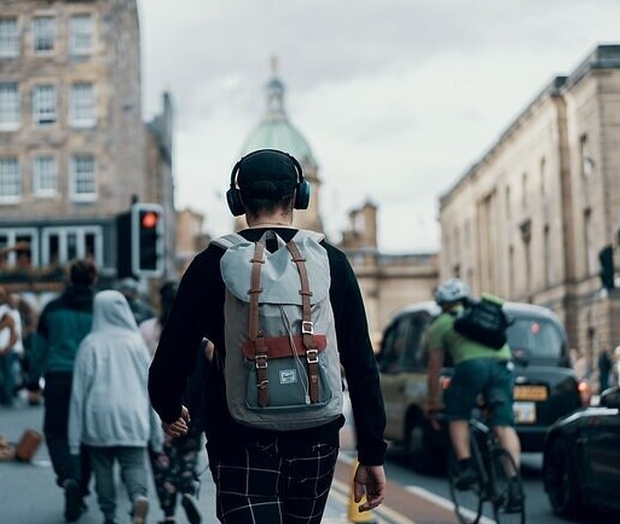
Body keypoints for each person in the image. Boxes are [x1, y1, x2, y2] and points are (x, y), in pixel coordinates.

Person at [148, 148, 387, 523]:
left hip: (237, 435)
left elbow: (174, 351)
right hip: (316, 438)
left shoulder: (212, 263)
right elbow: (360, 362)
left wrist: (168, 406)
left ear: (237, 200)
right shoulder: (331, 261)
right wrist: (371, 453)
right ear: (298, 196)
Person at [424, 278, 523, 511]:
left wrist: (432, 401)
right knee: (503, 425)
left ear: (443, 304)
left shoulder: (440, 325)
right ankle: (514, 485)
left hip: (470, 368)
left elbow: (434, 369)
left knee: (458, 414)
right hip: (503, 366)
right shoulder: (484, 315)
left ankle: (466, 467)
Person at [69, 290, 158, 524]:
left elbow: (79, 392)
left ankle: (109, 515)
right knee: (134, 463)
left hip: (99, 417)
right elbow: (150, 384)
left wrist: (73, 438)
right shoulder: (136, 343)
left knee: (103, 469)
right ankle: (139, 497)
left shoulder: (90, 344)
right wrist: (156, 429)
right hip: (133, 414)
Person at [27, 259, 98, 522]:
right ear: (92, 280)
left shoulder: (52, 309)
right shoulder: (98, 309)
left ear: (69, 279)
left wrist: (33, 380)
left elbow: (39, 348)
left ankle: (68, 477)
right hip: (91, 381)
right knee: (87, 435)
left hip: (57, 377)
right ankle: (81, 486)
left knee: (56, 432)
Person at [142, 281, 210, 524]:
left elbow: (144, 369)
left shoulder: (150, 329)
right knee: (188, 457)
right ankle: (188, 487)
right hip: (194, 410)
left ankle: (169, 514)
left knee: (163, 462)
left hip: (163, 406)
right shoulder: (200, 330)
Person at [0, 293, 24, 406]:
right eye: (13, 300)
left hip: (14, 347)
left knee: (11, 373)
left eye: (17, 301)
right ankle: (6, 396)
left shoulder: (16, 312)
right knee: (7, 373)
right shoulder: (2, 311)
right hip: (5, 347)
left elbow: (17, 331)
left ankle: (6, 395)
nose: (15, 303)